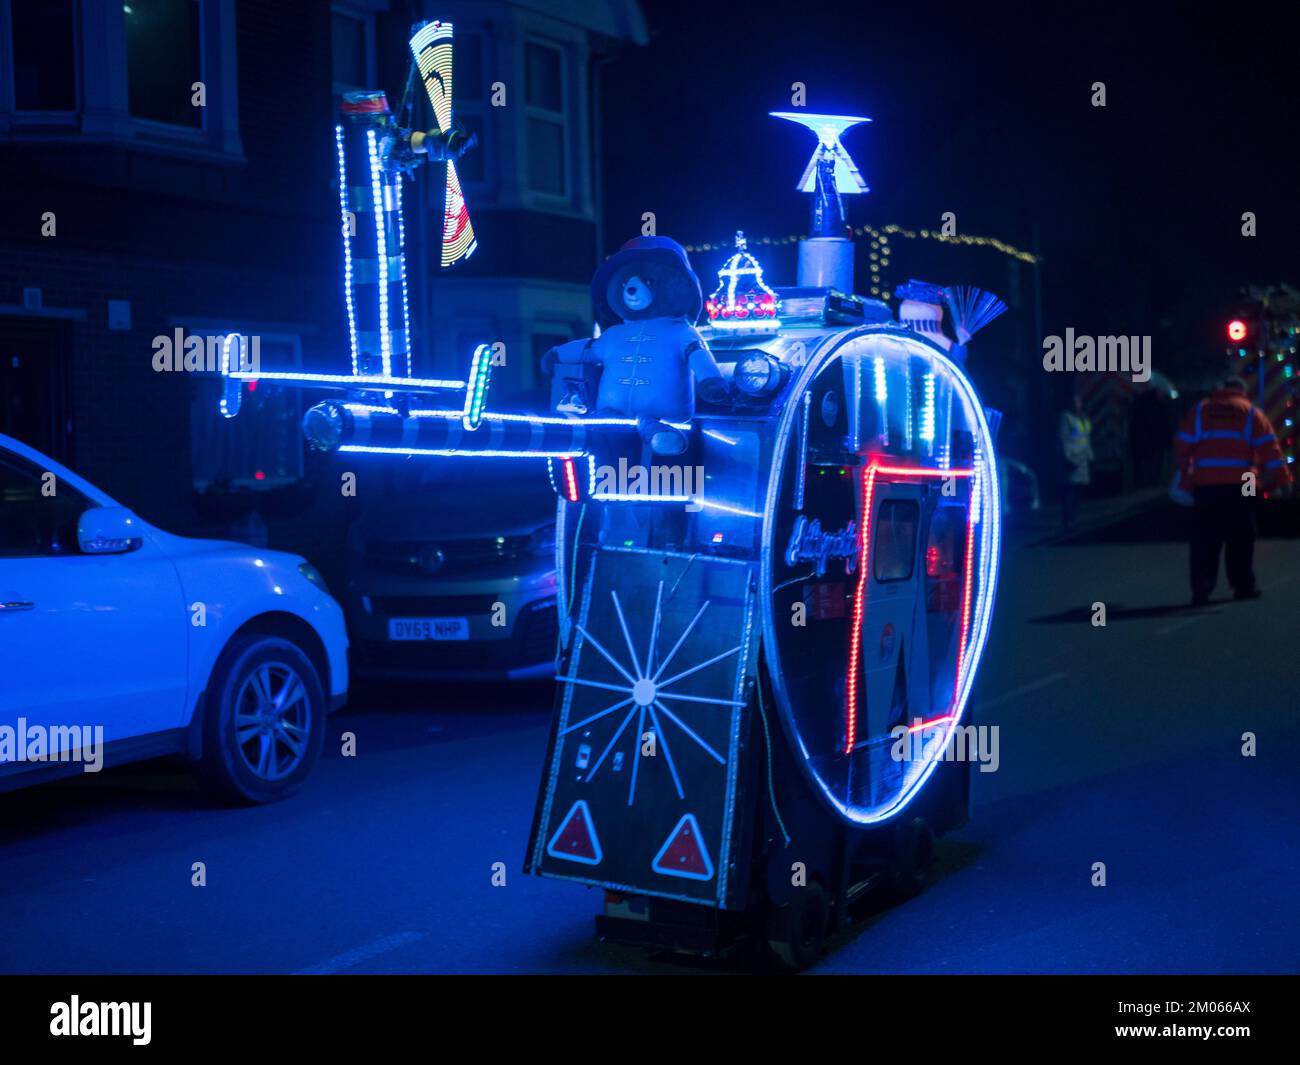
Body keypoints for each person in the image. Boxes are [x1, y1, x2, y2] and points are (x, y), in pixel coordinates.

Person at [1173, 376, 1292, 605]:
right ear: (1241, 392)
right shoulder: (1250, 412)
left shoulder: (1201, 411)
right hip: (1244, 482)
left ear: (1221, 390)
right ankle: (1243, 585)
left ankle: (1201, 589)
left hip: (1206, 483)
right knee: (1242, 536)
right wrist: (1283, 480)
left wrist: (1187, 474)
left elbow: (1181, 444)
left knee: (1204, 539)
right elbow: (1270, 449)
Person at [1058, 394, 1093, 531]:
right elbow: (1064, 438)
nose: (1077, 404)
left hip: (1083, 459)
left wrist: (1090, 456)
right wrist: (1068, 458)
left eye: (1078, 401)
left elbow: (1086, 437)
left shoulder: (1082, 417)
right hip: (1073, 459)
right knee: (1070, 491)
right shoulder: (1066, 417)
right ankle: (1068, 520)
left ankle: (1074, 518)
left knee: (1079, 490)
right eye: (1074, 401)